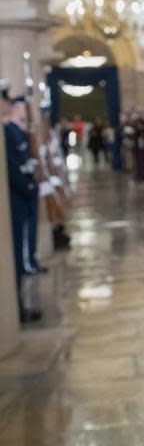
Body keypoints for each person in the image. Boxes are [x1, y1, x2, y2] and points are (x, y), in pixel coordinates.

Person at [4, 95, 43, 323]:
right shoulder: (8, 131)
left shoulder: (21, 129)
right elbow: (13, 165)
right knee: (19, 245)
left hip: (27, 188)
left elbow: (30, 145)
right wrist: (28, 186)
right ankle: (17, 307)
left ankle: (30, 264)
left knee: (26, 237)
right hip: (19, 193)